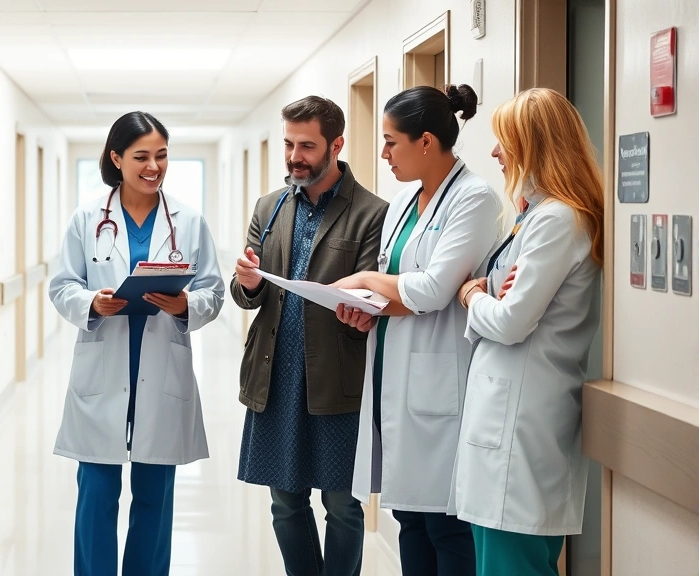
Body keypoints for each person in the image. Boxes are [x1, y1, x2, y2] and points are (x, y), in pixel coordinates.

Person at [333, 84, 503, 576]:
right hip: (394, 375)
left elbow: (431, 290)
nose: (383, 153)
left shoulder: (474, 199)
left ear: (425, 141)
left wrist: (365, 280)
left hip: (442, 384)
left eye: (391, 142)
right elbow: (403, 288)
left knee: (446, 527)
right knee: (409, 519)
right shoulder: (405, 199)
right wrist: (368, 309)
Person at [49, 111, 225, 576]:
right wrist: (92, 302)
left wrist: (185, 304)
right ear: (117, 158)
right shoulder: (87, 219)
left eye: (162, 156)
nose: (154, 166)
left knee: (155, 497)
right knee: (96, 494)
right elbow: (62, 286)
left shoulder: (189, 221)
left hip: (161, 368)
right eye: (141, 156)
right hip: (104, 366)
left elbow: (213, 291)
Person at [233, 95, 387, 576]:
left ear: (336, 145)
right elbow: (247, 297)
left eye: (307, 146)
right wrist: (247, 282)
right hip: (276, 376)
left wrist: (365, 312)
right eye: (289, 144)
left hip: (337, 379)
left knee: (342, 504)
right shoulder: (269, 207)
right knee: (285, 502)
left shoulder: (371, 212)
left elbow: (376, 293)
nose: (294, 157)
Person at [454, 88, 604, 576]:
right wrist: (493, 299)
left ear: (533, 145)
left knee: (512, 563)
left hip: (521, 432)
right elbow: (506, 309)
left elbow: (511, 322)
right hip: (505, 423)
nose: (495, 152)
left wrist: (473, 296)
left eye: (504, 141)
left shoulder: (557, 220)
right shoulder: (534, 216)